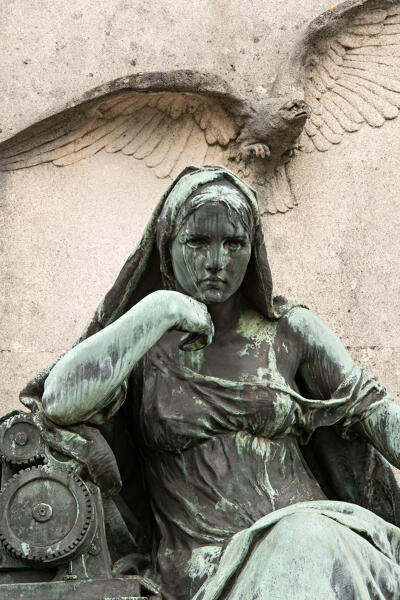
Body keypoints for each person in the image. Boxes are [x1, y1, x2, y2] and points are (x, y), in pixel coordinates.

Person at [20, 166, 400, 599]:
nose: (216, 262)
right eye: (197, 241)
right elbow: (58, 401)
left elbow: (379, 415)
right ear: (168, 245)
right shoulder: (143, 346)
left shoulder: (291, 330)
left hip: (311, 534)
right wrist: (160, 309)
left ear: (252, 249)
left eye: (234, 243)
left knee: (302, 541)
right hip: (200, 564)